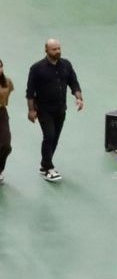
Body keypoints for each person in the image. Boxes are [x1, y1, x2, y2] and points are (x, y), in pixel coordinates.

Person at [26, 39, 82, 182]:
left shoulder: (66, 65)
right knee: (49, 136)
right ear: (46, 50)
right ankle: (48, 168)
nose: (57, 51)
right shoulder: (36, 68)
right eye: (54, 49)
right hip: (44, 110)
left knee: (55, 138)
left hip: (60, 109)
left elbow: (73, 83)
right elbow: (30, 92)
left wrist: (79, 98)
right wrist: (31, 110)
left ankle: (45, 165)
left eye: (58, 48)